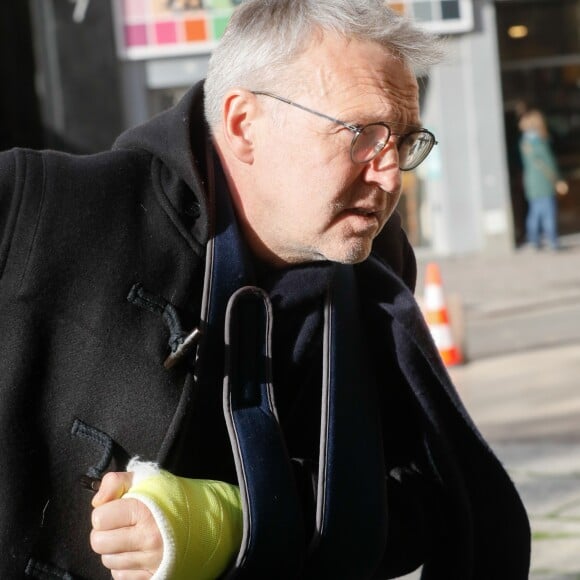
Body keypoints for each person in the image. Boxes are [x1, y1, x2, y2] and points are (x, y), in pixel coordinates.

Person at [0, 1, 530, 578]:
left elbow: (416, 501)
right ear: (242, 125)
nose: (388, 174)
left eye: (402, 141)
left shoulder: (374, 270)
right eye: (362, 135)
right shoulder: (37, 205)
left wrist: (232, 523)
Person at [519, 108, 568, 251]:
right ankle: (552, 241)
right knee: (548, 213)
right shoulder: (539, 141)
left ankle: (534, 240)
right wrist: (557, 179)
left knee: (534, 212)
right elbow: (549, 163)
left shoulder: (524, 142)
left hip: (531, 182)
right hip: (543, 182)